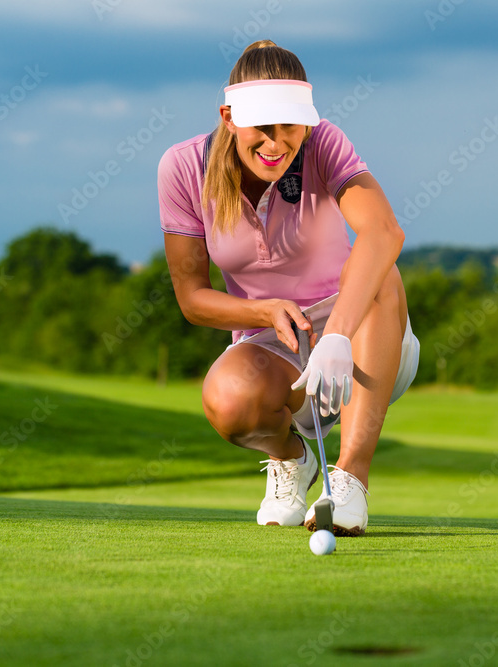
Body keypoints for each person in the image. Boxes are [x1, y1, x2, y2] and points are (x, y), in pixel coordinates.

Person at [157, 40, 419, 536]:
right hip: (277, 348)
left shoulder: (323, 143)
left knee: (381, 268)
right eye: (262, 127)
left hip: (367, 340)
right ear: (229, 116)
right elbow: (192, 299)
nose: (277, 144)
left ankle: (350, 481)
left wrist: (339, 333)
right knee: (229, 401)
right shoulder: (183, 167)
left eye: (289, 127)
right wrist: (265, 312)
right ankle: (294, 460)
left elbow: (385, 232)